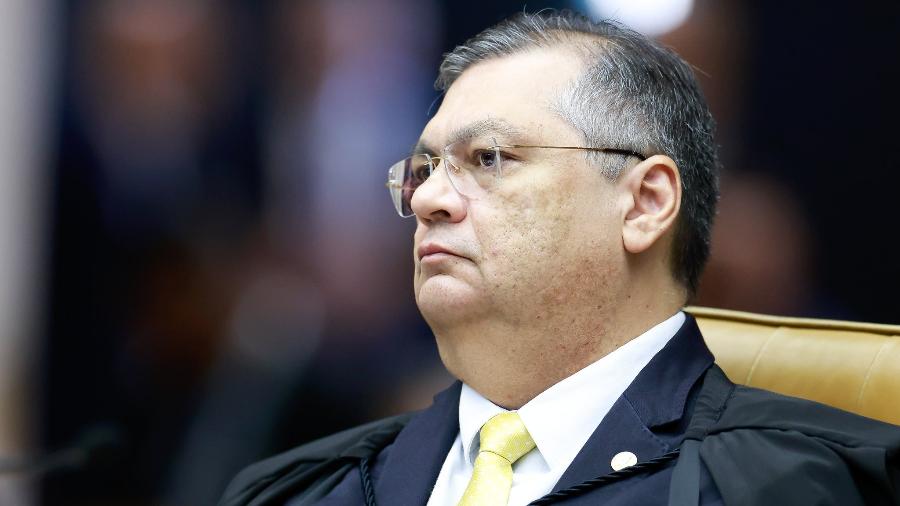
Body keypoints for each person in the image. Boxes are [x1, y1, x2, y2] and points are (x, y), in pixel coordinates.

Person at [220, 10, 900, 506]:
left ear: (644, 203)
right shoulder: (297, 492)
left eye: (489, 158)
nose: (427, 199)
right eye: (424, 169)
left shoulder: (798, 484)